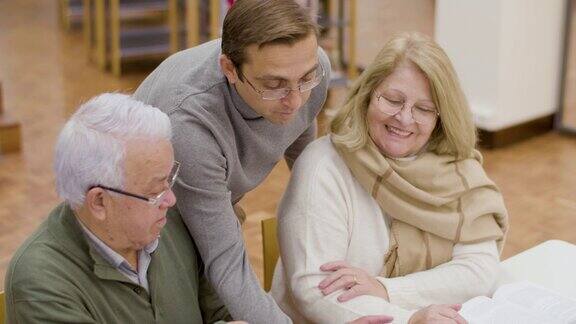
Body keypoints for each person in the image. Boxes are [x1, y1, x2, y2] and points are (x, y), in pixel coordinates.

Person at [271, 33, 509, 324]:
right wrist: (408, 320)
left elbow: (480, 269)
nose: (404, 119)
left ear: (440, 117)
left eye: (423, 109)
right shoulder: (324, 166)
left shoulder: (458, 170)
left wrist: (387, 290)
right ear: (367, 95)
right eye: (393, 100)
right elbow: (317, 291)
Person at [133, 0, 331, 323]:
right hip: (158, 224)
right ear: (230, 69)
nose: (295, 100)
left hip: (216, 193)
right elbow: (225, 261)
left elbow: (305, 159)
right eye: (274, 85)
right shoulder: (190, 122)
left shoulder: (312, 69)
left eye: (305, 79)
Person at [4, 93, 235, 323]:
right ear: (99, 202)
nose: (170, 200)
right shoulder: (40, 282)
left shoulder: (171, 220)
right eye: (154, 192)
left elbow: (219, 309)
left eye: (169, 180)